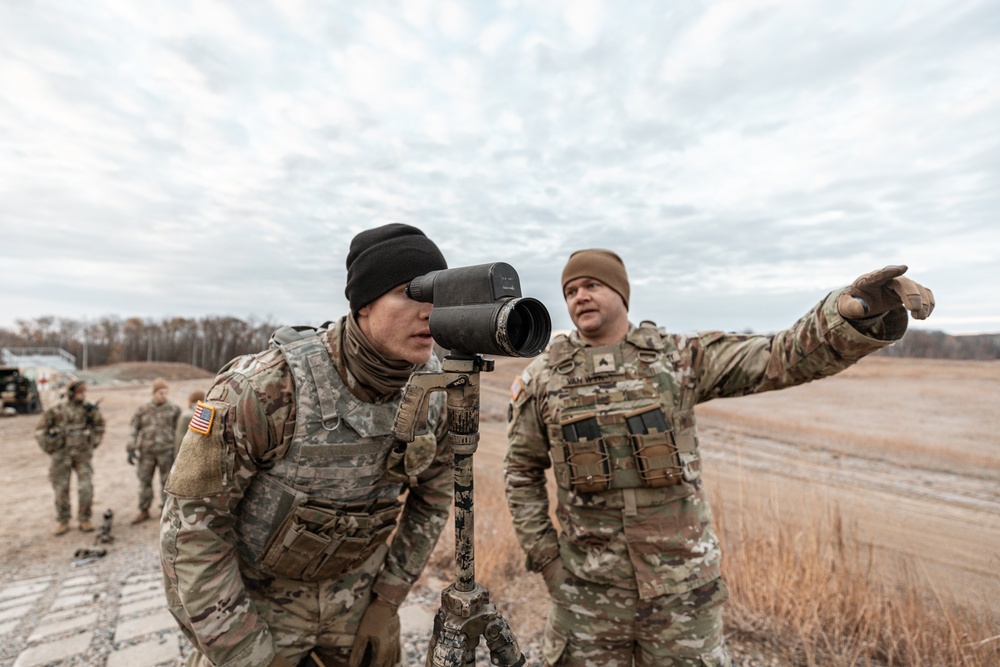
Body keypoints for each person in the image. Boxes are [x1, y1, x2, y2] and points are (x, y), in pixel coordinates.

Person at [504, 251, 934, 667]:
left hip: (682, 593)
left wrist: (849, 311)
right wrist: (549, 562)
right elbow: (521, 471)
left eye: (592, 284)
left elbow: (778, 356)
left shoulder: (677, 357)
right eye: (571, 290)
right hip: (585, 593)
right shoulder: (544, 378)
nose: (579, 296)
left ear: (621, 292)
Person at [160, 223, 453, 667]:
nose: (431, 312)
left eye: (439, 295)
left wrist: (386, 601)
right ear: (364, 303)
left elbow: (433, 498)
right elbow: (191, 531)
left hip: (356, 605)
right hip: (253, 609)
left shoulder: (435, 392)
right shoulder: (262, 389)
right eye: (412, 292)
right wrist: (243, 650)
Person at [34, 379, 105, 535]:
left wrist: (93, 442)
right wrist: (50, 448)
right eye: (79, 392)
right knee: (61, 489)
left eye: (84, 392)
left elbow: (100, 426)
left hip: (82, 454)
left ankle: (84, 518)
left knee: (86, 487)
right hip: (61, 455)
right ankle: (63, 520)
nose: (83, 395)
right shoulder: (56, 409)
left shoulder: (89, 408)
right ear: (71, 393)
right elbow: (40, 431)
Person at [127, 377, 181, 524]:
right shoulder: (143, 409)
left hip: (166, 451)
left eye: (165, 393)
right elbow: (134, 428)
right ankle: (144, 510)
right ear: (154, 393)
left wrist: (179, 451)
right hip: (147, 452)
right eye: (160, 393)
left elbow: (180, 431)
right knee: (144, 481)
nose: (163, 396)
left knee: (167, 483)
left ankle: (166, 512)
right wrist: (131, 447)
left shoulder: (174, 409)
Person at [173, 389, 206, 457]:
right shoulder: (208, 413)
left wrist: (177, 456)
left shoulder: (186, 416)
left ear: (191, 401)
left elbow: (180, 437)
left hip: (187, 454)